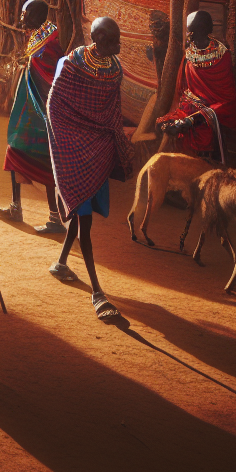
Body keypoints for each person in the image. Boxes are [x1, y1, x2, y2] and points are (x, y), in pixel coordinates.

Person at [46, 16, 133, 321]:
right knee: (84, 220)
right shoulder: (72, 64)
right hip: (73, 152)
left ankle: (61, 263)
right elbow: (55, 105)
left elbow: (112, 112)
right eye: (111, 40)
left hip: (97, 152)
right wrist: (66, 145)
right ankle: (97, 292)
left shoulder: (114, 70)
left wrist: (114, 142)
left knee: (82, 215)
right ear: (96, 39)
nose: (117, 46)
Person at [0, 0, 66, 233]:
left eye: (26, 15)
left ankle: (55, 219)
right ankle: (16, 207)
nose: (22, 19)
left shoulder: (49, 47)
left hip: (43, 115)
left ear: (36, 17)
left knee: (46, 165)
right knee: (14, 152)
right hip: (29, 113)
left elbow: (51, 81)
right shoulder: (40, 39)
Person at [156, 10, 236, 161]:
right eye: (189, 31)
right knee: (166, 125)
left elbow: (226, 100)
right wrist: (184, 117)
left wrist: (192, 120)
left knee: (199, 135)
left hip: (212, 113)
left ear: (205, 30)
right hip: (189, 107)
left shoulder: (222, 56)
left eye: (192, 31)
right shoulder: (189, 54)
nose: (189, 35)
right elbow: (184, 91)